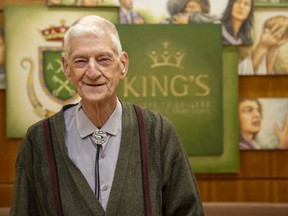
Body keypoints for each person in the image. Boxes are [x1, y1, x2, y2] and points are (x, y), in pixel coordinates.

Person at [10, 15, 204, 215]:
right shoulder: (39, 141)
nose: (92, 72)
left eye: (103, 59)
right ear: (66, 68)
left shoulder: (158, 132)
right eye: (80, 61)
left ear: (123, 65)